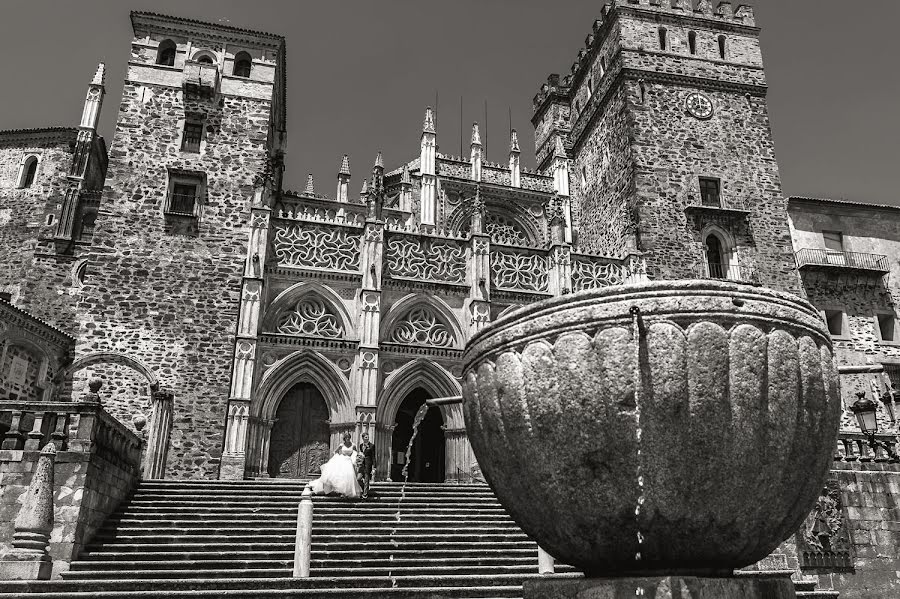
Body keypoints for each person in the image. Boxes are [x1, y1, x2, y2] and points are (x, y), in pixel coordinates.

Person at [309, 432, 361, 498]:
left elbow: (355, 453)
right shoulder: (341, 445)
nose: (348, 439)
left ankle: (345, 492)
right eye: (346, 437)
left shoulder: (353, 445)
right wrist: (339, 456)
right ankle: (338, 491)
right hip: (342, 460)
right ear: (344, 438)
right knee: (341, 476)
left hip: (349, 462)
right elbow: (335, 451)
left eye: (349, 437)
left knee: (348, 477)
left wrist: (355, 459)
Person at [357, 432, 376, 498]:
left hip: (368, 464)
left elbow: (373, 456)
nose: (367, 439)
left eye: (368, 437)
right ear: (362, 438)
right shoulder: (361, 445)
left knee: (366, 479)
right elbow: (360, 454)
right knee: (358, 478)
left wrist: (374, 467)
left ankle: (365, 494)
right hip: (362, 464)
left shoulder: (372, 446)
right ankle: (365, 488)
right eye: (365, 437)